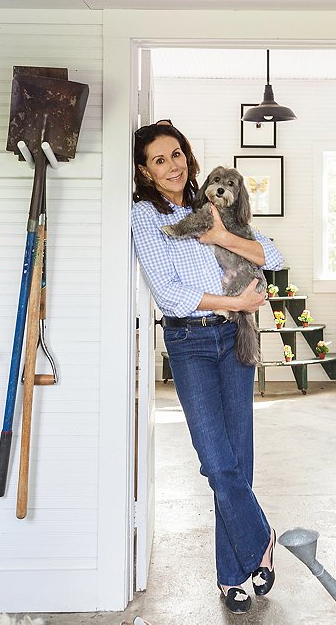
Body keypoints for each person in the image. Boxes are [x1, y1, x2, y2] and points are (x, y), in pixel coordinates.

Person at [131, 121, 283, 614]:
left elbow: (273, 256)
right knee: (217, 462)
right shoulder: (144, 217)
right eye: (159, 159)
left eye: (177, 154)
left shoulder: (210, 207)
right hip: (191, 342)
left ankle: (232, 574)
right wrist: (235, 300)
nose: (173, 165)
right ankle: (261, 536)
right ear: (145, 170)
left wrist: (222, 234)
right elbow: (171, 293)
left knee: (239, 460)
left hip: (233, 338)